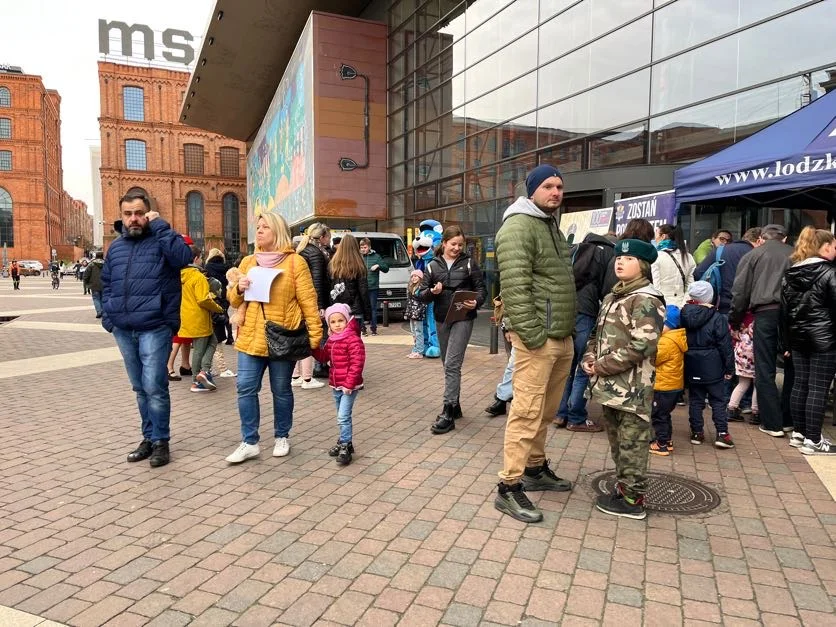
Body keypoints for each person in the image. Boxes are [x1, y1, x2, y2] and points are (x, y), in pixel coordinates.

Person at [493, 164, 576, 524]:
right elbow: (514, 288)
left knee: (546, 410)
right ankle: (508, 487)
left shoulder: (549, 226)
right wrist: (532, 335)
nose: (556, 192)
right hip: (539, 339)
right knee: (526, 411)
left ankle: (535, 468)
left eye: (559, 186)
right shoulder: (519, 226)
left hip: (560, 335)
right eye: (548, 186)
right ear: (531, 191)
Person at [101, 191, 193, 468]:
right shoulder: (115, 248)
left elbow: (183, 257)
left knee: (154, 386)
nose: (133, 219)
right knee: (140, 388)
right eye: (128, 214)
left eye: (139, 213)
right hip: (124, 328)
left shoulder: (162, 239)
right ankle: (148, 438)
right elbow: (105, 284)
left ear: (148, 213)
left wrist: (162, 226)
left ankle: (162, 441)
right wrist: (110, 318)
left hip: (155, 326)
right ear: (122, 216)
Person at [224, 212, 323, 464]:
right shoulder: (248, 262)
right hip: (250, 337)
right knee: (245, 388)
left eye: (265, 227)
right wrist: (238, 288)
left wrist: (314, 337)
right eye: (258, 227)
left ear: (277, 231)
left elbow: (309, 302)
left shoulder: (295, 263)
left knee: (280, 389)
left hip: (283, 336)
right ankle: (249, 442)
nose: (259, 231)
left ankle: (282, 436)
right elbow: (234, 300)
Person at [582, 239, 664, 520]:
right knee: (618, 443)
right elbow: (596, 333)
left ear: (642, 265)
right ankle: (623, 489)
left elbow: (643, 345)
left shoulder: (646, 299)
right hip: (610, 387)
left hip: (633, 389)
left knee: (633, 444)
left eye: (628, 259)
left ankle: (633, 500)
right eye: (618, 257)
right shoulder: (612, 296)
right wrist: (589, 357)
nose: (620, 262)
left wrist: (601, 366)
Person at [417, 225, 487, 434]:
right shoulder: (432, 266)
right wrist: (432, 291)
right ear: (444, 243)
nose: (457, 248)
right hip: (442, 317)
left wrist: (477, 302)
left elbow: (481, 288)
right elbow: (421, 294)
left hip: (463, 317)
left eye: (460, 244)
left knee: (452, 364)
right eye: (453, 244)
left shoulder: (468, 263)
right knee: (446, 363)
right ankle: (455, 405)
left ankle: (447, 412)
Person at [730, 224, 794, 438]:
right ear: (784, 239)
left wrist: (736, 319)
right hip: (792, 314)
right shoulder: (796, 253)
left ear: (761, 239)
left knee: (764, 367)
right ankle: (788, 420)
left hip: (765, 312)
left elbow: (740, 292)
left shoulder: (753, 255)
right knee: (792, 366)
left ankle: (772, 423)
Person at [781, 227, 836, 455]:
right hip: (824, 338)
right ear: (824, 247)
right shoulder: (830, 272)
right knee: (818, 388)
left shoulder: (791, 273)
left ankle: (800, 433)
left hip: (798, 337)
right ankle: (814, 439)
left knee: (800, 383)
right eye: (834, 246)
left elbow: (783, 312)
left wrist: (786, 343)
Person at [555, 231, 614, 432]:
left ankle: (561, 414)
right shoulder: (608, 253)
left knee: (567, 366)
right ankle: (576, 417)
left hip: (566, 309)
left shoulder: (578, 248)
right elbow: (608, 289)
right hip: (586, 312)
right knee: (583, 365)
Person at [681, 281, 735, 449]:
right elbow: (725, 345)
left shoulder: (684, 314)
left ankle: (697, 432)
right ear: (710, 297)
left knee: (696, 400)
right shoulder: (717, 317)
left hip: (691, 362)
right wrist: (729, 367)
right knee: (718, 400)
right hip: (712, 364)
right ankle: (722, 434)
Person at [312, 303, 366, 465]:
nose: (337, 325)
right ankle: (344, 441)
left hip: (349, 386)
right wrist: (313, 348)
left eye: (340, 321)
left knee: (343, 416)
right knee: (341, 416)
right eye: (333, 322)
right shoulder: (332, 340)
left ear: (347, 320)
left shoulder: (353, 340)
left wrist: (349, 384)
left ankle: (345, 444)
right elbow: (323, 357)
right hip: (336, 384)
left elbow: (357, 363)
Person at [178, 245, 224, 392]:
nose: (202, 260)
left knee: (212, 341)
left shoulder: (180, 275)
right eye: (201, 258)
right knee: (200, 348)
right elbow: (203, 299)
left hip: (186, 315)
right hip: (199, 317)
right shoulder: (198, 276)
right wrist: (218, 308)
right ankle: (197, 379)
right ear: (196, 258)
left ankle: (204, 372)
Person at [292, 224, 330, 389]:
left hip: (298, 300)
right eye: (328, 236)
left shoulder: (302, 250)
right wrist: (320, 304)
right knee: (309, 337)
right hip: (310, 301)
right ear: (322, 237)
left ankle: (295, 376)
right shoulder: (316, 254)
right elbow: (317, 281)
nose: (329, 239)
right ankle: (307, 378)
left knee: (298, 337)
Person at [693, 228, 762, 316]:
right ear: (759, 240)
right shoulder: (759, 255)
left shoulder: (720, 251)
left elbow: (698, 273)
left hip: (721, 307)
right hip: (750, 310)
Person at [650, 305, 687, 457]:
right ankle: (667, 440)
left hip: (663, 386)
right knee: (665, 414)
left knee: (658, 415)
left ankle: (661, 444)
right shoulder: (677, 337)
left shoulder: (666, 342)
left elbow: (655, 359)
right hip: (674, 385)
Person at [328, 234, 371, 333]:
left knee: (340, 341)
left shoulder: (333, 264)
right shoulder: (359, 264)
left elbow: (329, 287)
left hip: (337, 309)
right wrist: (368, 313)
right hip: (354, 310)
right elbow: (363, 291)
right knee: (354, 341)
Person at [204, 249, 235, 377]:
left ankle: (207, 368)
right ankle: (221, 368)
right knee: (219, 333)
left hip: (210, 303)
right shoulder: (226, 267)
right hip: (223, 301)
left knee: (209, 338)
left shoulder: (206, 268)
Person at [653, 224, 695, 308]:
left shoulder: (656, 256)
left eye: (656, 234)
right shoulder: (688, 257)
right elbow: (690, 287)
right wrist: (683, 305)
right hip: (681, 306)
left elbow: (656, 287)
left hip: (663, 307)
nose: (655, 238)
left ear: (663, 236)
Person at [728, 313, 758, 423]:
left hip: (741, 354)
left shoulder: (740, 319)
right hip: (754, 355)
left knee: (742, 383)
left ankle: (731, 408)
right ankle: (756, 412)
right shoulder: (757, 321)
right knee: (757, 384)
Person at [359, 237, 390, 336]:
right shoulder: (358, 257)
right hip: (361, 287)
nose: (363, 249)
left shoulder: (376, 257)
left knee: (373, 308)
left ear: (369, 247)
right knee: (361, 308)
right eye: (361, 247)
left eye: (365, 247)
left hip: (373, 287)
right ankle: (363, 329)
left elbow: (386, 268)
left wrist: (378, 266)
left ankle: (373, 329)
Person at [404, 269, 427, 358]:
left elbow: (423, 303)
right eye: (412, 276)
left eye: (416, 276)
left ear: (420, 277)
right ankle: (415, 349)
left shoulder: (421, 288)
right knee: (413, 332)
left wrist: (417, 312)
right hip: (412, 313)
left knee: (418, 332)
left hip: (418, 314)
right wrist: (407, 313)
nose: (414, 278)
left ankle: (420, 351)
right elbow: (409, 302)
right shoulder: (411, 287)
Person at [83, 251, 105, 318]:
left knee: (96, 298)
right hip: (104, 284)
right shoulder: (106, 264)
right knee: (103, 298)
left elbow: (86, 274)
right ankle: (103, 312)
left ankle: (99, 311)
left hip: (94, 284)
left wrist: (86, 282)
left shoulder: (91, 264)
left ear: (96, 256)